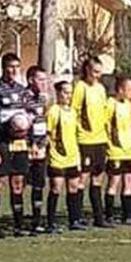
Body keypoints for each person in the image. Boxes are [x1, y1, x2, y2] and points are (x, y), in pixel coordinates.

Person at [0, 53, 31, 238]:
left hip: (20, 142)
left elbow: (27, 114)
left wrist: (24, 128)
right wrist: (7, 129)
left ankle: (18, 225)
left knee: (18, 182)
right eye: (10, 67)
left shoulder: (22, 90)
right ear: (3, 68)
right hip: (3, 141)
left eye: (16, 67)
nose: (13, 70)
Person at [71, 56, 110, 228]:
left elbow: (104, 112)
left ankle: (99, 217)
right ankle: (76, 217)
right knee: (82, 178)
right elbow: (74, 111)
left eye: (100, 73)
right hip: (85, 140)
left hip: (100, 139)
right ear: (87, 70)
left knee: (98, 178)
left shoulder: (101, 89)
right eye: (95, 72)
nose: (97, 76)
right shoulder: (80, 87)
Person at [105, 77, 131, 226]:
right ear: (120, 90)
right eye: (129, 89)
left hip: (129, 150)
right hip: (115, 151)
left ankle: (127, 215)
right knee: (114, 183)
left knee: (128, 182)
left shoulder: (128, 105)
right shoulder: (110, 104)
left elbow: (129, 128)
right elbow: (106, 126)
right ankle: (108, 215)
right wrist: (109, 145)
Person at [46, 81, 83, 232]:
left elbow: (75, 135)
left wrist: (78, 156)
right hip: (57, 157)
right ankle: (51, 222)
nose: (68, 96)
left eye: (70, 92)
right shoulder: (53, 111)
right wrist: (50, 152)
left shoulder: (73, 112)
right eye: (65, 92)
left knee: (73, 187)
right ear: (58, 93)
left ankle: (74, 220)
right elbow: (48, 133)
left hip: (72, 156)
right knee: (56, 188)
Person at [24, 65, 49, 235]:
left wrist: (45, 139)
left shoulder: (43, 98)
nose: (44, 83)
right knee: (22, 184)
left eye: (45, 79)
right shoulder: (23, 98)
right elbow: (20, 123)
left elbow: (43, 120)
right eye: (40, 79)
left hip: (41, 146)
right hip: (27, 148)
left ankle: (37, 220)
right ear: (30, 80)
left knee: (39, 184)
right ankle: (20, 220)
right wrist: (29, 143)